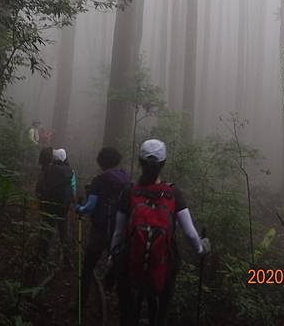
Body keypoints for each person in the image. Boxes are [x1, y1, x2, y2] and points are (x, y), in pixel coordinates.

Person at [109, 139, 210, 326]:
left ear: (140, 161)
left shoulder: (130, 192)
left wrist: (113, 256)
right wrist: (201, 248)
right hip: (165, 264)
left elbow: (118, 233)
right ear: (163, 164)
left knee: (128, 314)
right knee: (161, 314)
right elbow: (189, 233)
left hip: (131, 263)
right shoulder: (172, 193)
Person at [76, 147, 130, 306]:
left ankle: (81, 302)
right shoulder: (126, 179)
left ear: (101, 162)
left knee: (87, 267)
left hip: (100, 230)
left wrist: (79, 209)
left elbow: (90, 206)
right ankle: (116, 298)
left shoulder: (99, 180)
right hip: (120, 232)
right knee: (119, 266)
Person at [36, 147, 74, 267]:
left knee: (46, 232)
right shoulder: (70, 171)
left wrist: (41, 201)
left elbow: (39, 189)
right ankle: (67, 260)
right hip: (63, 208)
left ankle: (42, 258)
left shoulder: (46, 170)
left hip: (48, 207)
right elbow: (72, 191)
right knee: (64, 233)